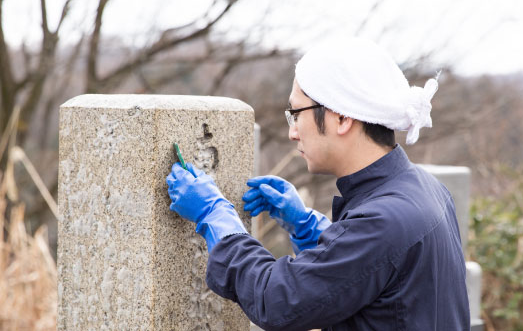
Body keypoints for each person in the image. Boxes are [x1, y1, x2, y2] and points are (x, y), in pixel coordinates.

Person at [166, 37, 470, 330]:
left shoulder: (383, 220)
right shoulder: (425, 188)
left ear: (341, 119)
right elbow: (374, 273)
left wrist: (215, 216)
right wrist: (307, 227)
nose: (292, 132)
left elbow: (277, 300)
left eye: (297, 113)